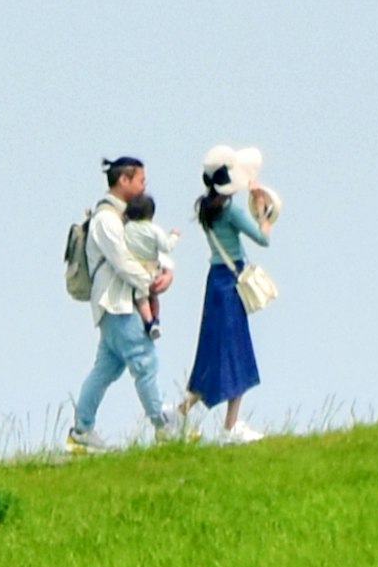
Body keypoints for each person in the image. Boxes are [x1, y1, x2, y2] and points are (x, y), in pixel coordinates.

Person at [66, 154, 182, 446]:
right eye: (140, 180)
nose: (144, 186)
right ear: (124, 180)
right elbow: (123, 260)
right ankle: (162, 425)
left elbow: (145, 248)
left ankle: (81, 430)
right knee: (144, 361)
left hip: (115, 304)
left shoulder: (124, 217)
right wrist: (151, 284)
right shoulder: (107, 219)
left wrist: (166, 274)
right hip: (118, 303)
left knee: (106, 369)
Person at [186, 146, 282, 439]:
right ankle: (230, 426)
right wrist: (264, 211)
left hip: (214, 279)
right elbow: (263, 238)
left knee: (212, 351)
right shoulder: (230, 211)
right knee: (235, 351)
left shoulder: (205, 208)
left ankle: (180, 412)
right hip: (231, 282)